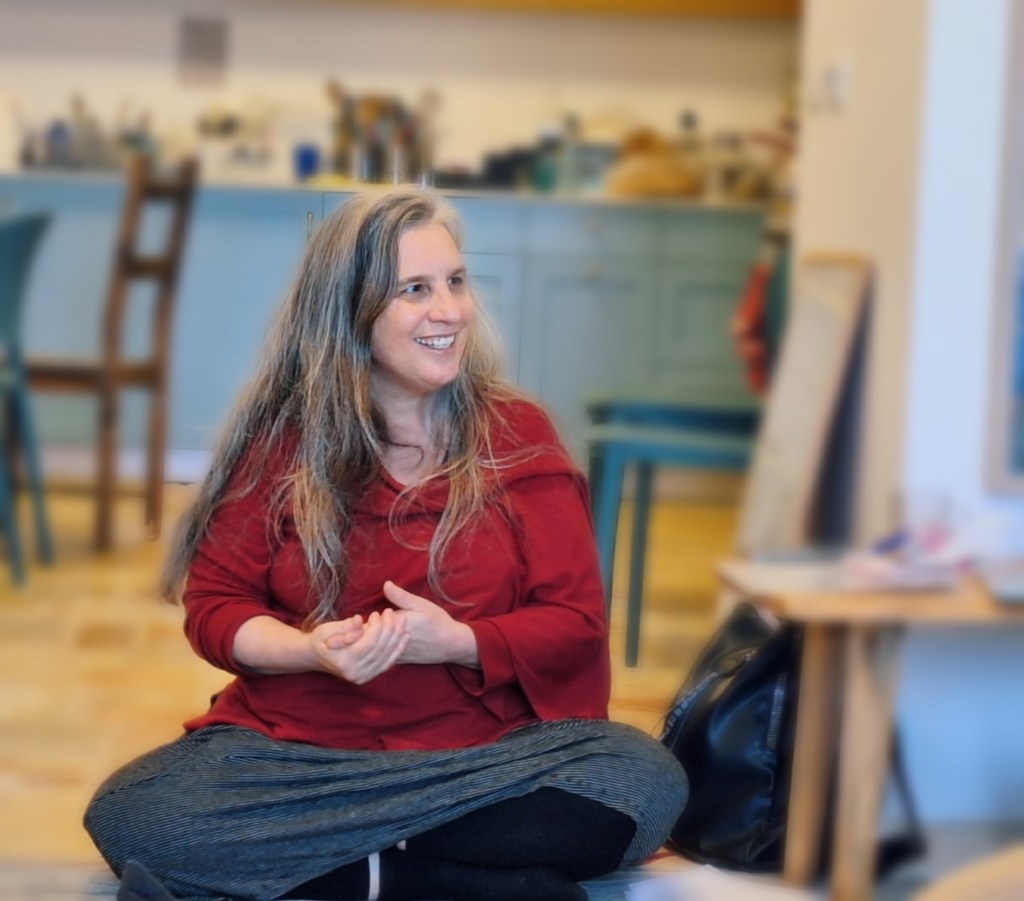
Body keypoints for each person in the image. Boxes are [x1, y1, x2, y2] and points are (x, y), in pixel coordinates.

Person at [84, 186, 688, 901]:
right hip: (300, 758)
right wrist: (308, 650)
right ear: (349, 310)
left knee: (643, 777)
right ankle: (451, 881)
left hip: (481, 759)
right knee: (133, 811)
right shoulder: (281, 443)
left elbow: (575, 623)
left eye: (455, 281)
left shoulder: (517, 432)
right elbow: (216, 606)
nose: (450, 310)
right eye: (415, 289)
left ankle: (347, 873)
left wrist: (458, 641)